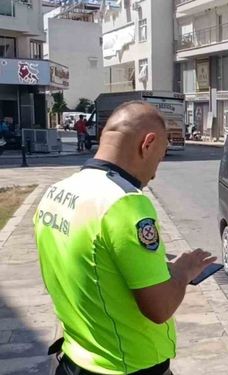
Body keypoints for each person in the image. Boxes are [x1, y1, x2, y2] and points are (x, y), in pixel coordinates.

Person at [34, 101, 216, 375]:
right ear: (148, 143)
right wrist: (183, 270)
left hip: (74, 358)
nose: (156, 172)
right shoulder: (125, 204)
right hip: (126, 365)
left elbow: (89, 271)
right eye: (161, 155)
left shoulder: (55, 193)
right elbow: (160, 308)